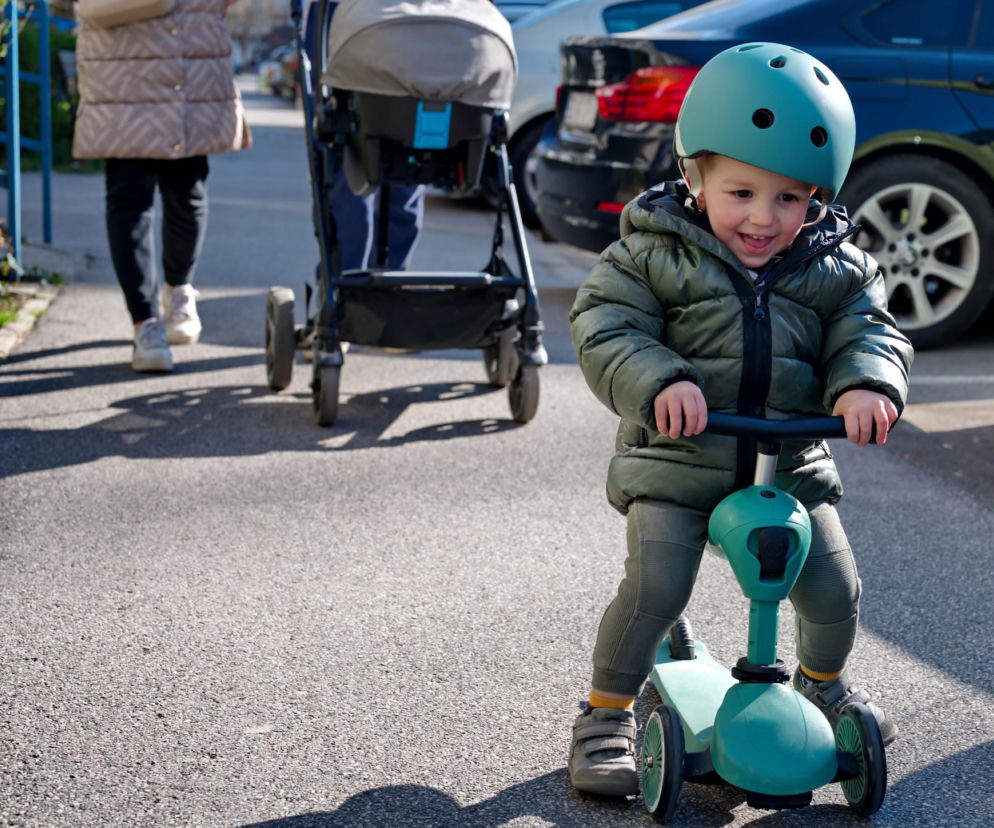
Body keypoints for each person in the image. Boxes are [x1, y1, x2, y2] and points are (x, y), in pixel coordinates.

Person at [566, 42, 914, 797]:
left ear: (817, 200)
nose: (763, 218)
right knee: (657, 585)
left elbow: (870, 328)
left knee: (833, 587)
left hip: (790, 464)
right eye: (741, 192)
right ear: (694, 176)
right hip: (678, 458)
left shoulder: (836, 266)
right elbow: (604, 326)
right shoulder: (651, 251)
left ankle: (825, 685)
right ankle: (606, 713)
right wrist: (661, 378)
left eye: (790, 199)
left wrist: (865, 384)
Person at [72, 0, 252, 373]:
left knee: (188, 192)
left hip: (187, 60)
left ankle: (177, 290)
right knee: (131, 196)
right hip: (123, 62)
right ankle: (146, 323)